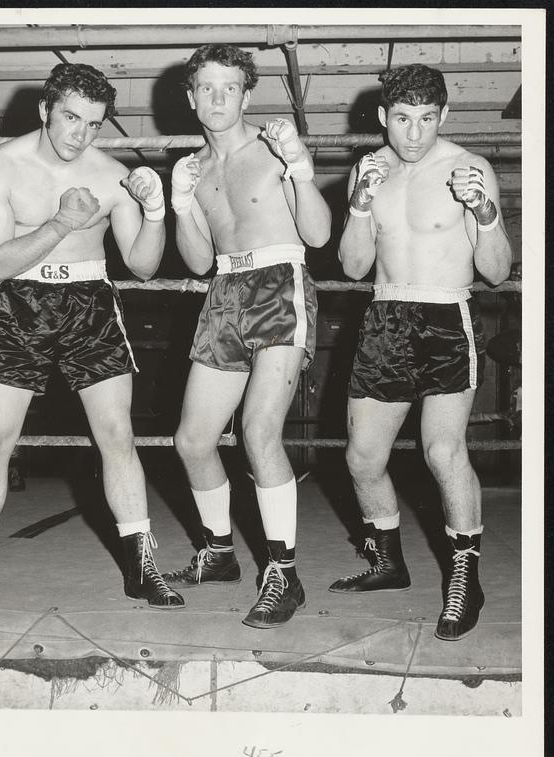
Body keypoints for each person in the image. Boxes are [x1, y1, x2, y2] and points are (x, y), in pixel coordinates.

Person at [0, 63, 184, 610]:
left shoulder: (111, 174)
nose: (80, 134)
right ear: (45, 110)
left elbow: (142, 267)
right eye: (70, 118)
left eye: (94, 124)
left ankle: (144, 567)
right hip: (19, 302)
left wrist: (155, 211)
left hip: (90, 304)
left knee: (117, 435)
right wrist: (61, 224)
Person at [330, 64, 512, 640]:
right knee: (362, 458)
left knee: (441, 450)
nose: (414, 134)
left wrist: (483, 212)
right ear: (383, 116)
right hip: (386, 313)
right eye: (403, 119)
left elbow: (497, 271)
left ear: (444, 116)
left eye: (427, 119)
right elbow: (354, 266)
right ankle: (388, 562)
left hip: (445, 316)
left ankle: (465, 576)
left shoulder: (469, 167)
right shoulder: (370, 168)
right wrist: (360, 204)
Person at [161, 44, 331, 628]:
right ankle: (219, 552)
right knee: (192, 440)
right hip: (225, 292)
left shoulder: (271, 148)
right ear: (190, 97)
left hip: (281, 283)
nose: (216, 98)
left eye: (228, 88)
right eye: (205, 88)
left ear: (246, 95)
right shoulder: (195, 168)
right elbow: (198, 260)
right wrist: (180, 204)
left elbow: (318, 233)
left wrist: (301, 165)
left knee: (259, 431)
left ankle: (283, 572)